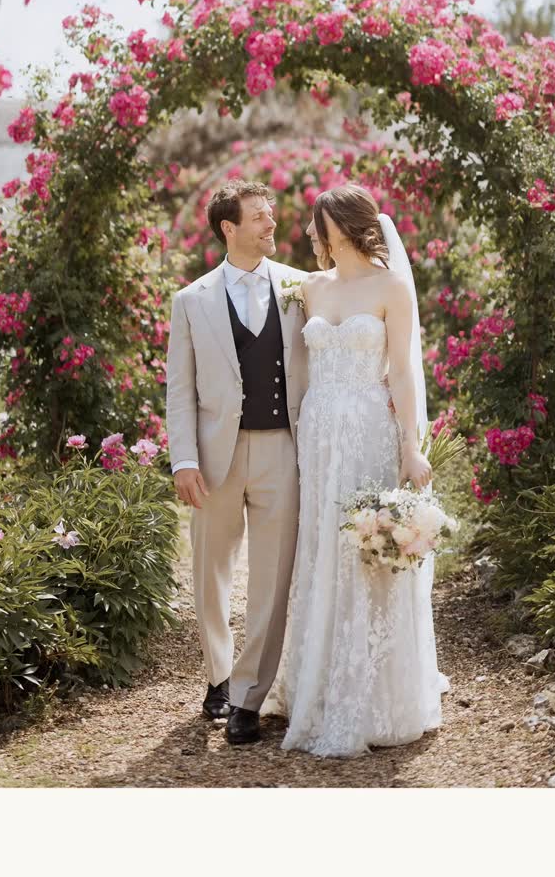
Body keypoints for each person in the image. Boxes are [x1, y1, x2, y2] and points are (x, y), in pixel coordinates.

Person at [264, 183, 449, 757]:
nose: (310, 235)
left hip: (370, 428)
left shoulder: (391, 285)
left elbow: (402, 372)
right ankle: (315, 682)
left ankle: (375, 692)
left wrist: (411, 447)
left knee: (364, 551)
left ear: (339, 227)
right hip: (318, 435)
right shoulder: (310, 288)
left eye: (317, 225)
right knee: (322, 547)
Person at [166, 179, 308, 745]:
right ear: (229, 228)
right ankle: (218, 676)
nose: (272, 224)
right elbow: (180, 390)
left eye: (271, 215)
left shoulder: (300, 287)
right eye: (259, 217)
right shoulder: (191, 300)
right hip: (214, 454)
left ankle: (249, 695)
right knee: (211, 574)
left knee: (273, 578)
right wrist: (182, 460)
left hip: (281, 448)